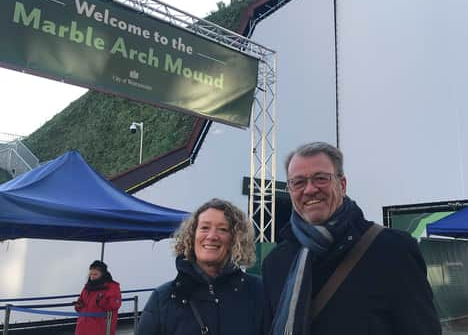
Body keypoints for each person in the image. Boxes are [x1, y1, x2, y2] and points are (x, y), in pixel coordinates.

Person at [262, 141, 441, 335]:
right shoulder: (276, 263)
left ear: (342, 185)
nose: (310, 189)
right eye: (298, 182)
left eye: (321, 178)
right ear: (290, 190)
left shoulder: (392, 249)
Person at [136, 198, 263, 335]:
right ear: (192, 236)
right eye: (204, 228)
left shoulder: (258, 291)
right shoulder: (163, 299)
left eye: (222, 229)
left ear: (236, 239)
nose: (212, 236)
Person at [74, 260, 122, 335]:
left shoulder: (112, 287)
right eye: (91, 274)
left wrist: (101, 301)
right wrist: (78, 305)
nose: (92, 277)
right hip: (82, 328)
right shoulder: (87, 287)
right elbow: (81, 302)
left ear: (103, 274)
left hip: (100, 329)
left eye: (95, 274)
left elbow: (114, 305)